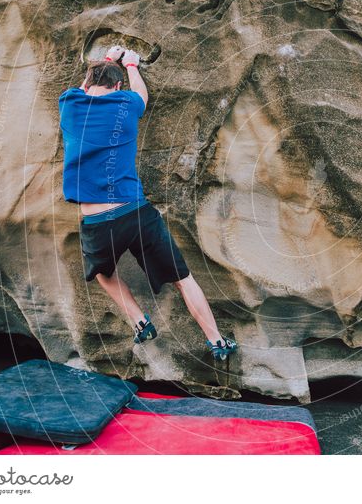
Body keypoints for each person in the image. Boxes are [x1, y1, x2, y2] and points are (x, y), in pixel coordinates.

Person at [58, 45, 238, 360]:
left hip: (97, 222)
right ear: (117, 87)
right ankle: (217, 342)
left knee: (102, 272)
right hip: (135, 212)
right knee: (183, 279)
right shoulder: (126, 105)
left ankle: (141, 321)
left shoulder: (70, 105)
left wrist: (108, 60)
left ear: (88, 85)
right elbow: (141, 94)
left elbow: (85, 85)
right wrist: (131, 65)